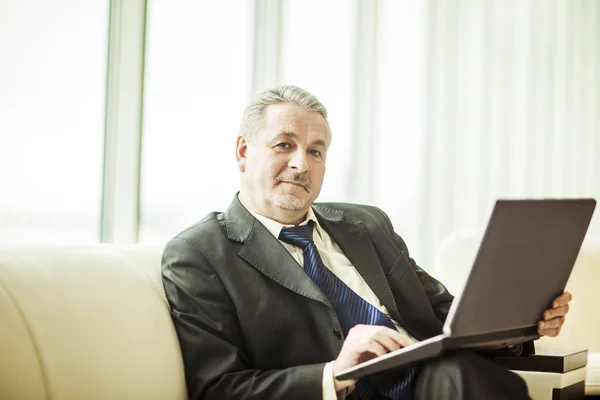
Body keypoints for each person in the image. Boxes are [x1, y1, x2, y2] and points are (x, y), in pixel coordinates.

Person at [161, 85, 571, 400]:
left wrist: (518, 325)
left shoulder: (366, 223)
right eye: (284, 144)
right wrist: (335, 373)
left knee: (467, 376)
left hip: (437, 383)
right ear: (243, 151)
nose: (302, 164)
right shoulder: (199, 253)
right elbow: (217, 388)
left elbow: (446, 318)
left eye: (316, 151)